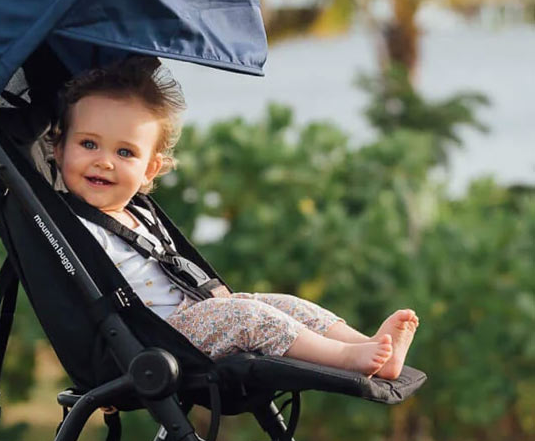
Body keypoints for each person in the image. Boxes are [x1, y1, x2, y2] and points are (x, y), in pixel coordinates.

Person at [50, 57, 418, 380]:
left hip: (195, 315)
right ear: (58, 147)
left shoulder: (139, 214)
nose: (104, 161)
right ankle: (346, 358)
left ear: (150, 170)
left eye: (125, 152)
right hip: (153, 338)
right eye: (88, 144)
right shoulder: (73, 227)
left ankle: (367, 344)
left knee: (282, 305)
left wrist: (214, 295)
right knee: (249, 318)